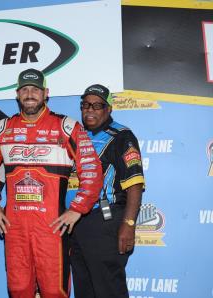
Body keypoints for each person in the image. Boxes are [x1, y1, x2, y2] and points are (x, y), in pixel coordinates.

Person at [0, 69, 103, 298]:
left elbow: (93, 172)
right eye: (24, 89)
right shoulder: (3, 129)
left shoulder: (66, 127)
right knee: (18, 290)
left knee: (54, 292)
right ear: (17, 95)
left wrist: (77, 209)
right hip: (15, 229)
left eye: (35, 89)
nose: (29, 94)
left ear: (46, 93)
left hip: (51, 229)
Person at [70, 84, 145, 298]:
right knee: (84, 289)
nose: (90, 110)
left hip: (104, 221)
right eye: (85, 104)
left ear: (109, 108)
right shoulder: (76, 135)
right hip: (76, 222)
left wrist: (129, 224)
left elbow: (135, 183)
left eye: (97, 105)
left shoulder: (121, 136)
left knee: (108, 290)